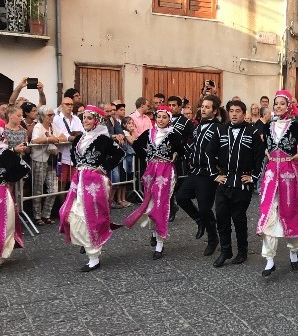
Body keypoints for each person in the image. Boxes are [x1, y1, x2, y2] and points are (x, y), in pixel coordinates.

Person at [257, 90, 298, 278]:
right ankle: (269, 260)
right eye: (276, 104)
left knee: (290, 211)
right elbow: (260, 143)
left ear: (289, 106)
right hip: (270, 176)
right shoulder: (268, 126)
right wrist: (265, 151)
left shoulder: (295, 127)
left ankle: (293, 251)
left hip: (288, 175)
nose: (278, 107)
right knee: (268, 213)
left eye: (282, 104)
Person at [58, 106, 125, 272]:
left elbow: (119, 154)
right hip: (79, 180)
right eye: (84, 118)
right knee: (68, 213)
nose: (85, 121)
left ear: (97, 120)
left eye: (89, 118)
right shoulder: (80, 138)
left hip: (94, 183)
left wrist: (103, 167)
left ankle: (93, 257)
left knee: (90, 216)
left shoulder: (103, 139)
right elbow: (74, 157)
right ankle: (86, 240)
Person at [206, 100, 264, 267]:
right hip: (224, 180)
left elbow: (260, 157)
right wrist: (214, 174)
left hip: (242, 182)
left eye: (237, 111)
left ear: (244, 113)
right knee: (221, 216)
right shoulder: (221, 130)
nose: (234, 114)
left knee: (238, 218)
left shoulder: (252, 132)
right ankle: (225, 251)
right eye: (231, 111)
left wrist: (253, 176)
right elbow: (209, 153)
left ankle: (242, 251)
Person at [124, 106, 185, 260]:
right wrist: (147, 156)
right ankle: (154, 232)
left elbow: (182, 151)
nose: (161, 120)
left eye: (164, 117)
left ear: (169, 119)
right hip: (151, 171)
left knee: (161, 204)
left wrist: (176, 156)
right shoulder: (149, 133)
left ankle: (159, 243)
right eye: (159, 117)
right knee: (151, 203)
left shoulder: (173, 135)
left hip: (166, 171)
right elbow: (137, 146)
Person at [176, 95, 222, 256]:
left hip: (208, 173)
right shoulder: (197, 126)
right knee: (181, 197)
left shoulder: (218, 128)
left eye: (207, 107)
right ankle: (200, 221)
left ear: (214, 111)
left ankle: (212, 238)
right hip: (194, 171)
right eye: (202, 106)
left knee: (204, 207)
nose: (203, 109)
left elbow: (221, 150)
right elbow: (194, 146)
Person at [30, 106, 66, 225]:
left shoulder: (52, 126)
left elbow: (63, 137)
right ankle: (37, 216)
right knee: (38, 189)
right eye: (49, 115)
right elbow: (35, 141)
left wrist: (53, 138)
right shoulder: (38, 127)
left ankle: (46, 214)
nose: (52, 117)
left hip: (51, 161)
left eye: (52, 115)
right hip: (39, 160)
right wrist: (49, 139)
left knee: (53, 189)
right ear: (42, 116)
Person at [0, 130, 30, 266]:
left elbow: (24, 168)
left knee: (4, 221)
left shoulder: (6, 153)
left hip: (3, 191)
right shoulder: (7, 153)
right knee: (4, 222)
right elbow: (24, 168)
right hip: (3, 190)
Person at [167, 95, 195, 222]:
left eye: (174, 105)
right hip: (165, 156)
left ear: (180, 107)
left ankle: (174, 205)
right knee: (166, 184)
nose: (172, 108)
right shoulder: (164, 118)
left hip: (178, 157)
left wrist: (185, 149)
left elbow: (194, 138)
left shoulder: (186, 122)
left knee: (175, 183)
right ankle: (170, 207)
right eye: (170, 105)